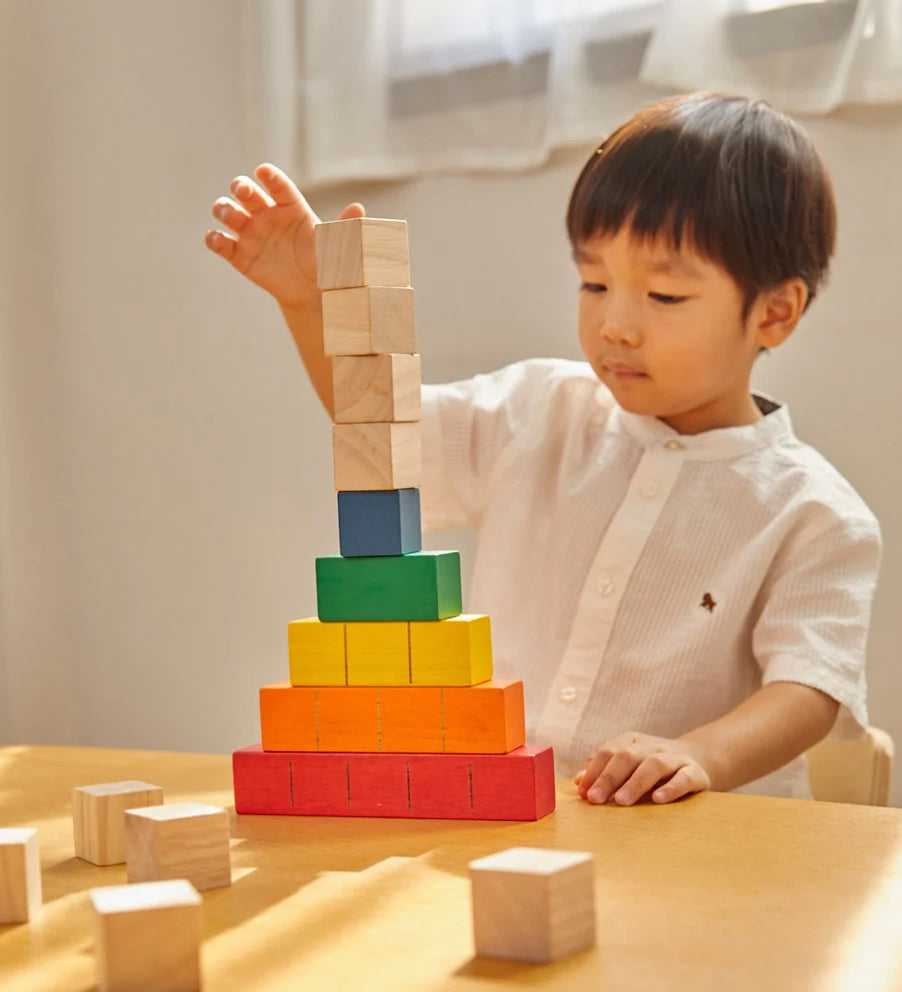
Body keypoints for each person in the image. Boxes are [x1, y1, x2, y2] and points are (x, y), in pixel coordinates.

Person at [205, 92, 881, 805]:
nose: (615, 324)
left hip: (696, 846)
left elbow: (811, 687)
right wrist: (312, 306)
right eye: (594, 282)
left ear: (775, 312)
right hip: (511, 815)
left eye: (664, 296)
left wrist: (698, 754)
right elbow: (384, 430)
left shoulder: (815, 514)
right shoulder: (536, 411)